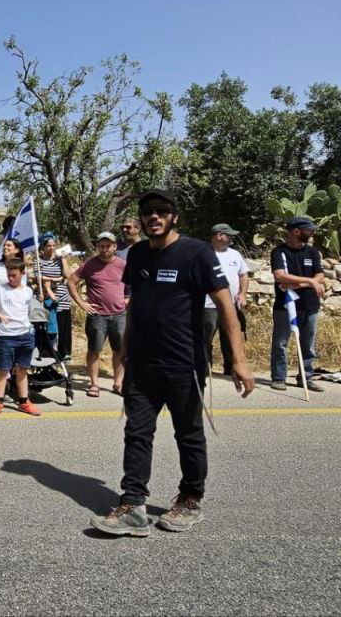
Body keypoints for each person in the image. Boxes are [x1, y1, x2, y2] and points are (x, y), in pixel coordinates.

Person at [91, 189, 255, 537]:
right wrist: (125, 353)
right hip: (142, 365)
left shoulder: (196, 252)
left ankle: (191, 498)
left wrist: (238, 360)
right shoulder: (135, 254)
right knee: (136, 434)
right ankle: (133, 504)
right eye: (148, 211)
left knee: (188, 434)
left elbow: (226, 304)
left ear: (174, 216)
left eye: (162, 211)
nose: (154, 217)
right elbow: (133, 304)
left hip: (184, 364)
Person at [0, 260, 41, 417]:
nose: (11, 278)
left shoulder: (28, 291)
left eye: (14, 275)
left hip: (25, 334)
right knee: (3, 369)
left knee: (22, 369)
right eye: (9, 275)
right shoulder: (0, 289)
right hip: (6, 336)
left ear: (22, 274)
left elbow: (28, 310)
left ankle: (24, 401)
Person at [269, 216, 326, 392]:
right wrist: (311, 282)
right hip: (286, 305)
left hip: (310, 305)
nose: (312, 233)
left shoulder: (312, 252)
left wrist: (304, 283)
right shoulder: (279, 252)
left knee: (308, 343)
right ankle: (279, 378)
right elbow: (280, 276)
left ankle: (306, 377)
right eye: (309, 230)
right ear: (296, 231)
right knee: (281, 343)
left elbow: (320, 276)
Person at [68, 232, 128, 397]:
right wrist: (81, 303)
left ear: (114, 247)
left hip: (119, 315)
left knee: (119, 350)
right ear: (97, 247)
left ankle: (118, 383)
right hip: (97, 316)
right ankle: (94, 384)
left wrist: (128, 299)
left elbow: (133, 284)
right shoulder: (89, 265)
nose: (104, 249)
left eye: (108, 245)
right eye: (101, 246)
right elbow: (71, 281)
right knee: (94, 350)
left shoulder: (123, 265)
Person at [204, 224, 249, 377]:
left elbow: (243, 275)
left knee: (230, 337)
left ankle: (231, 369)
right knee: (205, 339)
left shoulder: (235, 254)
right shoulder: (203, 253)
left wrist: (242, 294)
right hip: (208, 305)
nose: (231, 238)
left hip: (231, 305)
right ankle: (205, 369)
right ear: (219, 235)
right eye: (228, 235)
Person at [37, 234, 72, 362]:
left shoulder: (58, 260)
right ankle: (48, 353)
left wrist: (63, 259)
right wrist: (56, 279)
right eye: (48, 246)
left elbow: (68, 275)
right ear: (43, 247)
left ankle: (64, 354)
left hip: (62, 297)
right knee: (49, 327)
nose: (51, 248)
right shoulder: (38, 260)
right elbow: (39, 277)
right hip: (47, 298)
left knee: (63, 327)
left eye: (53, 245)